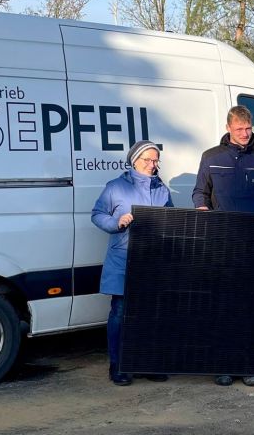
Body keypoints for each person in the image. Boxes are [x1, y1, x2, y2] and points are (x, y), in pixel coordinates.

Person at [192, 104, 254, 388]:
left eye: (248, 128)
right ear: (228, 127)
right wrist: (203, 210)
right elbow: (200, 192)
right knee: (223, 306)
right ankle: (224, 365)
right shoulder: (211, 157)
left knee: (252, 306)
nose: (244, 133)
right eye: (239, 129)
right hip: (222, 243)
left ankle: (250, 366)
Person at [91, 140, 173, 386]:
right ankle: (118, 365)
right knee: (120, 312)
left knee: (150, 314)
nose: (152, 164)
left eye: (155, 160)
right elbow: (97, 214)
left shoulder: (162, 189)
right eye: (147, 160)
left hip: (153, 260)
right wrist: (117, 222)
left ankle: (146, 363)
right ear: (134, 161)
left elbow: (170, 219)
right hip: (123, 258)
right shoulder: (116, 187)